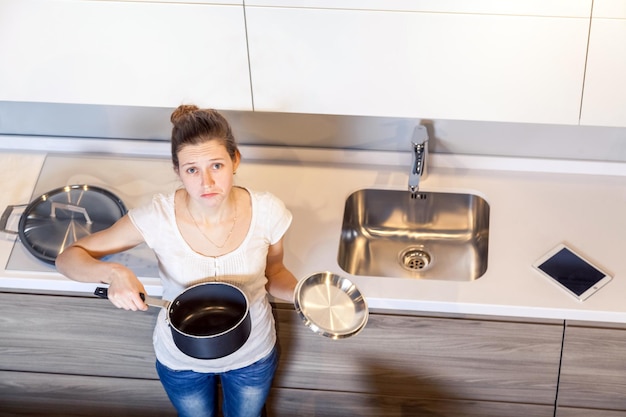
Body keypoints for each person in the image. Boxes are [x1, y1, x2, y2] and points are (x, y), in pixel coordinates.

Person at [56, 104, 298, 417]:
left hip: (252, 354)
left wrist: (305, 296)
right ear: (177, 170)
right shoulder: (157, 218)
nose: (206, 182)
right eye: (192, 170)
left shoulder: (268, 212)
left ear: (235, 159)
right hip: (181, 360)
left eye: (216, 166)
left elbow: (275, 272)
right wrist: (113, 273)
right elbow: (68, 258)